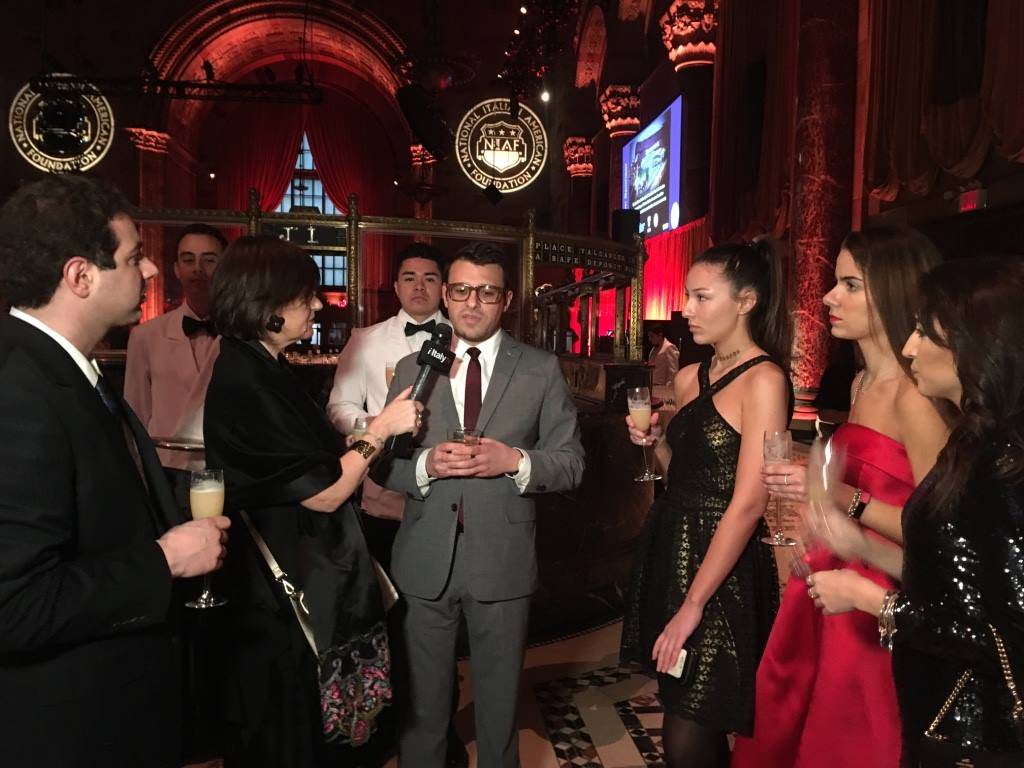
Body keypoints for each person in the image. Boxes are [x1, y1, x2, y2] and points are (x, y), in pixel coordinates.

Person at [0, 175, 228, 767]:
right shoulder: (18, 388)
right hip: (73, 726)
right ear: (80, 276)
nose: (151, 271)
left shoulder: (60, 367)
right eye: (133, 258)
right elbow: (14, 604)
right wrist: (164, 559)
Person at [731, 227, 950, 768]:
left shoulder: (915, 396)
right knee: (795, 715)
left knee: (851, 732)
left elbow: (942, 535)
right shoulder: (859, 383)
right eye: (836, 282)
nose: (828, 297)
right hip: (831, 574)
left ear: (893, 290)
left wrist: (844, 499)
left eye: (850, 285)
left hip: (880, 592)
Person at [201, 236, 423, 767]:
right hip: (283, 589)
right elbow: (325, 493)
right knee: (291, 729)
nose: (319, 305)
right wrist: (380, 430)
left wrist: (355, 442)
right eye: (307, 297)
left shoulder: (265, 365)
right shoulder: (247, 381)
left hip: (305, 572)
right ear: (267, 304)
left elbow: (307, 461)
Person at [808, 257, 1024, 766]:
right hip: (935, 708)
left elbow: (1000, 630)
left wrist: (871, 600)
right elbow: (946, 576)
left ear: (978, 345)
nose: (909, 348)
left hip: (977, 731)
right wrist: (858, 543)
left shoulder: (1004, 465)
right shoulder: (970, 443)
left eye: (926, 333)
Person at [377, 241, 585, 768]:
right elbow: (383, 466)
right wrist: (427, 465)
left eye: (487, 292)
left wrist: (514, 460)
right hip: (424, 561)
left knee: (498, 713)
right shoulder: (412, 368)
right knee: (421, 714)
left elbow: (571, 464)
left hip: (503, 560)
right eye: (462, 290)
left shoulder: (540, 369)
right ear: (446, 296)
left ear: (506, 299)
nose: (472, 303)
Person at [621, 240, 791, 768]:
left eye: (701, 297)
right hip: (672, 546)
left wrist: (693, 604)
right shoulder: (689, 376)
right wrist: (657, 443)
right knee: (686, 708)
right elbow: (681, 476)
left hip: (723, 569)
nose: (687, 309)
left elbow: (748, 503)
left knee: (688, 734)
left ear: (746, 302)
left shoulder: (765, 380)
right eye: (687, 296)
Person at [327, 242, 447, 545]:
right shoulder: (365, 340)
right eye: (409, 278)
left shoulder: (464, 341)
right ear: (396, 287)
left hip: (446, 485)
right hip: (383, 482)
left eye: (429, 278)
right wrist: (375, 426)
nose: (419, 286)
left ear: (443, 288)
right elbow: (339, 405)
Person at [125, 223, 227, 476]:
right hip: (166, 468)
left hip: (225, 467)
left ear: (225, 267)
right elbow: (135, 414)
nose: (197, 269)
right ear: (176, 269)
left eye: (209, 260)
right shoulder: (145, 336)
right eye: (188, 260)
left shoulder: (241, 335)